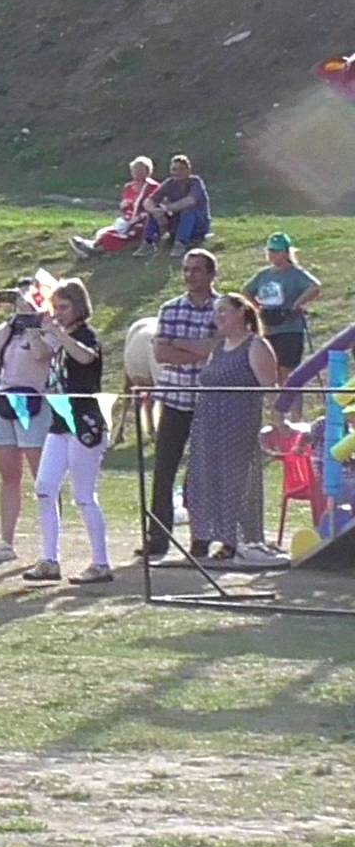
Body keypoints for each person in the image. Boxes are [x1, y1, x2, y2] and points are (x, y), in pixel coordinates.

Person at [23, 279, 114, 584]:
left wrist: (59, 334)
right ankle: (49, 559)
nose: (59, 313)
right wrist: (34, 327)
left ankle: (101, 562)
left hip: (85, 422)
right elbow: (38, 354)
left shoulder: (86, 336)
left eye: (64, 307)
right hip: (60, 422)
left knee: (84, 495)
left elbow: (85, 357)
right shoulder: (58, 338)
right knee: (44, 487)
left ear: (79, 306)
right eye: (55, 307)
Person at [186, 293, 283, 565]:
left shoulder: (255, 346)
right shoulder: (218, 348)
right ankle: (202, 535)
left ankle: (234, 539)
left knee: (234, 482)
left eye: (223, 312)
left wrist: (278, 423)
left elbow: (270, 388)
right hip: (207, 424)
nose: (218, 318)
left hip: (237, 423)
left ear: (241, 312)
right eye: (215, 312)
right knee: (201, 479)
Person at [0, 280, 58, 565]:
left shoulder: (50, 327)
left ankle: (50, 544)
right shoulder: (9, 327)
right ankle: (6, 542)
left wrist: (34, 321)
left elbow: (40, 354)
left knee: (42, 479)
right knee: (8, 477)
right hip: (5, 400)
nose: (20, 302)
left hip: (33, 403)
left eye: (26, 296)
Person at [145, 250, 218, 557]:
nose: (190, 275)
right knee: (163, 470)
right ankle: (158, 538)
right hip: (174, 399)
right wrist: (197, 351)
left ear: (212, 274)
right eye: (186, 270)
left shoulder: (223, 309)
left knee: (201, 473)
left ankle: (201, 539)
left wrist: (179, 344)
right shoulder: (170, 308)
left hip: (208, 402)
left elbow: (215, 349)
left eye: (197, 270)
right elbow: (161, 355)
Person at [245, 233, 321, 383]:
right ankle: (276, 404)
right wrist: (257, 309)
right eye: (270, 251)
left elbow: (314, 287)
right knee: (269, 371)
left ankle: (290, 404)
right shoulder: (263, 275)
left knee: (287, 374)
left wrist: (294, 306)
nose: (272, 254)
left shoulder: (295, 274)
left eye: (277, 251)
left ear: (286, 252)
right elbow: (246, 291)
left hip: (289, 329)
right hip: (268, 328)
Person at [69, 156, 159, 257]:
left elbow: (155, 206)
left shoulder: (154, 187)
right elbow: (124, 207)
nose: (136, 172)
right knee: (104, 232)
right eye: (134, 170)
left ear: (148, 171)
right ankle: (93, 247)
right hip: (127, 222)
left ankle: (96, 251)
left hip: (143, 223)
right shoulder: (128, 187)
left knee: (123, 235)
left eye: (139, 169)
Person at [137, 153, 210, 256]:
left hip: (197, 225)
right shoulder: (169, 183)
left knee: (188, 210)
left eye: (181, 169)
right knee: (154, 210)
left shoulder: (195, 182)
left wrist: (166, 209)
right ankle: (149, 243)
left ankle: (180, 244)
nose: (177, 173)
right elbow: (149, 201)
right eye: (174, 169)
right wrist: (156, 212)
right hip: (177, 223)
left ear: (188, 170)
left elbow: (190, 200)